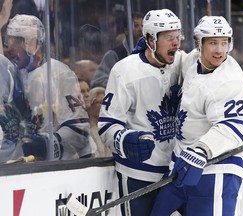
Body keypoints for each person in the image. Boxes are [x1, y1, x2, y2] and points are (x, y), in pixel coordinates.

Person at [150, 16, 243, 216]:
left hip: (217, 170)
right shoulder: (192, 60)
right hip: (182, 164)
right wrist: (152, 51)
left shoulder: (230, 81)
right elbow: (177, 59)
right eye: (213, 42)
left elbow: (231, 127)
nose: (219, 50)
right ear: (199, 44)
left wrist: (201, 150)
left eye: (224, 43)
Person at [98, 9, 185, 216]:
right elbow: (107, 124)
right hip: (138, 175)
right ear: (150, 40)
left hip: (175, 172)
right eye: (168, 37)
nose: (176, 43)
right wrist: (124, 140)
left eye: (177, 36)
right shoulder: (125, 70)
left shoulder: (183, 63)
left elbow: (213, 67)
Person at [2, 14, 92, 161]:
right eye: (8, 40)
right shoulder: (14, 74)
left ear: (29, 43)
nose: (9, 48)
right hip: (24, 167)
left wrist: (46, 143)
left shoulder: (60, 73)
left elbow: (79, 129)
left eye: (14, 41)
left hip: (61, 169)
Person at [90, 11, 143, 88]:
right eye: (136, 26)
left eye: (142, 25)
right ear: (126, 30)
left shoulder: (151, 53)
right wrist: (124, 87)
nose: (141, 29)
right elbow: (98, 81)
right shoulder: (114, 55)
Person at [89, 86, 111, 157]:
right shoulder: (87, 130)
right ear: (91, 105)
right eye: (99, 102)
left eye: (104, 103)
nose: (103, 106)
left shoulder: (111, 127)